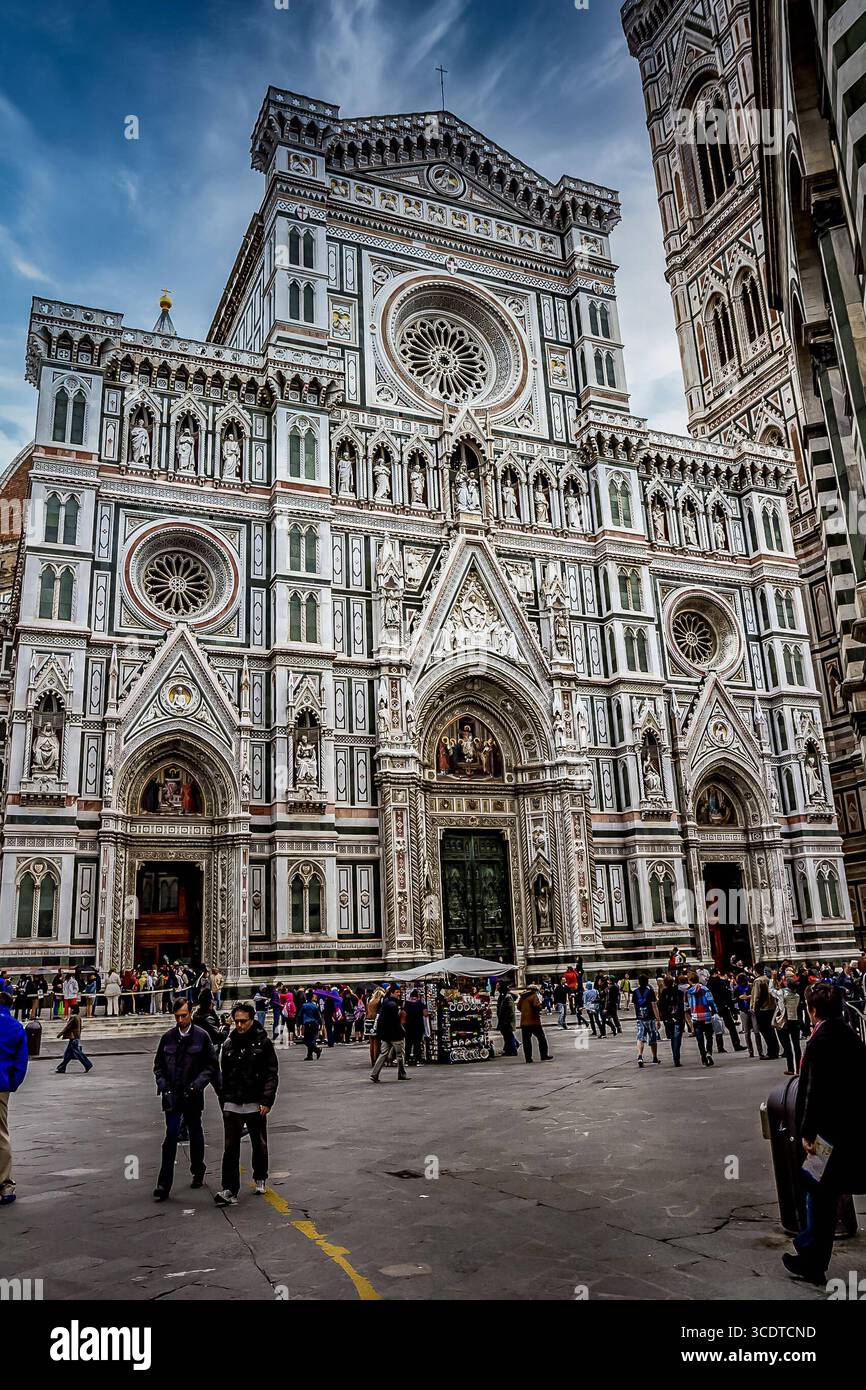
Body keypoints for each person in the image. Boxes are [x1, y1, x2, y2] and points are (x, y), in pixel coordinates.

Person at [783, 982, 866, 1284]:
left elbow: (814, 1092)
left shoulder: (820, 1042)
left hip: (827, 1138)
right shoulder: (851, 1036)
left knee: (817, 1193)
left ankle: (811, 1257)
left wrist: (808, 1131)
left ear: (812, 1011)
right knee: (818, 1191)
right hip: (851, 1130)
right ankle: (810, 1252)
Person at [213, 1001, 280, 1207]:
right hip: (233, 1102)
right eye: (237, 1021)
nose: (239, 1025)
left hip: (255, 1101)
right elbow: (223, 1074)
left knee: (258, 1143)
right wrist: (224, 1100)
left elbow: (271, 1073)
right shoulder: (228, 1044)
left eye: (243, 1021)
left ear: (252, 1020)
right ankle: (229, 1189)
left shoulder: (263, 1043)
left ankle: (260, 1175)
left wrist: (266, 1100)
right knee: (230, 1147)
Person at [152, 998, 219, 1201]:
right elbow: (158, 1066)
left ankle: (198, 1170)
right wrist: (164, 1087)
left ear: (191, 1013)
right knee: (170, 1137)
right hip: (172, 1095)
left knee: (195, 1133)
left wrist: (196, 1085)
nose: (181, 1020)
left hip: (192, 1094)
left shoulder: (201, 1037)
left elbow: (210, 1066)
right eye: (177, 1016)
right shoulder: (168, 1037)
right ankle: (164, 1184)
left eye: (184, 1015)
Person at [0, 990, 28, 1207]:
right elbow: (21, 1062)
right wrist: (12, 1083)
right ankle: (6, 1185)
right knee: (2, 1135)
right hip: (1, 1084)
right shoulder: (16, 1027)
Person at [370, 985, 408, 1081]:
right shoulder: (393, 1005)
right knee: (400, 1055)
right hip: (395, 1034)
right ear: (391, 993)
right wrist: (401, 1027)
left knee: (383, 1054)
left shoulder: (385, 1002)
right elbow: (395, 1020)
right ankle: (401, 1074)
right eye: (396, 992)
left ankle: (374, 1074)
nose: (398, 994)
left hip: (385, 1034)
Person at [771, 968, 804, 1075]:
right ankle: (798, 1068)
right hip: (794, 1020)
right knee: (796, 1045)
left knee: (787, 1045)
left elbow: (771, 990)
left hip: (785, 1021)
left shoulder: (782, 993)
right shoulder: (797, 996)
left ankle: (790, 1068)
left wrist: (772, 979)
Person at [685, 971, 718, 1067]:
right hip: (706, 1015)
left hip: (695, 1016)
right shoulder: (705, 989)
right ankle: (709, 1052)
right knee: (709, 1036)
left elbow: (687, 1004)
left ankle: (703, 1056)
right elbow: (711, 1001)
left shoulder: (689, 991)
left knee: (699, 1038)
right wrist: (715, 1011)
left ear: (690, 980)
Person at [516, 983, 551, 1063]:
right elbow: (536, 1006)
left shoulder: (522, 997)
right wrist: (538, 1011)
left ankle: (528, 1058)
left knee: (526, 1041)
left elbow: (518, 1007)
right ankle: (544, 1055)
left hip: (524, 1022)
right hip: (534, 1021)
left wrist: (525, 1012)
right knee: (541, 1038)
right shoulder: (534, 996)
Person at [633, 973, 661, 1066]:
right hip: (650, 1017)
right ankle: (654, 1057)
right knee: (652, 1037)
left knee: (640, 1037)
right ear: (647, 982)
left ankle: (640, 1056)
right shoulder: (650, 991)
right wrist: (658, 1019)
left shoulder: (635, 992)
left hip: (640, 1018)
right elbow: (654, 1006)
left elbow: (635, 1005)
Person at [751, 972, 779, 1060]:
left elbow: (757, 997)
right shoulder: (768, 979)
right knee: (771, 1031)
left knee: (765, 1031)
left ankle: (771, 1052)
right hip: (771, 1007)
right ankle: (775, 1050)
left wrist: (755, 1009)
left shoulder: (758, 981)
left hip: (763, 1009)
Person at [658, 972, 685, 1066]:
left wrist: (664, 1017)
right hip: (678, 1017)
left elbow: (660, 1005)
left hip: (668, 1018)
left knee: (673, 1037)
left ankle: (675, 1056)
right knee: (677, 1038)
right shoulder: (679, 992)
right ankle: (676, 1057)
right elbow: (682, 1006)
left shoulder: (664, 992)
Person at [496, 981, 519, 1056]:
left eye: (498, 985)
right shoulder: (502, 995)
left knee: (508, 1035)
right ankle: (509, 1049)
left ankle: (513, 1050)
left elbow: (510, 1009)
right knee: (506, 1035)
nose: (496, 987)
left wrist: (507, 1020)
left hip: (507, 1020)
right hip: (503, 1019)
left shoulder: (507, 996)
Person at [403, 990, 426, 1065]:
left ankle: (407, 1060)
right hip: (418, 1026)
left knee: (408, 1044)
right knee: (417, 1044)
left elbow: (404, 1014)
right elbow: (425, 1014)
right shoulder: (421, 1004)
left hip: (408, 1026)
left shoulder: (406, 1003)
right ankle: (418, 1060)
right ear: (417, 996)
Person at [300, 990, 323, 1060]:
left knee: (306, 1040)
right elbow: (318, 1016)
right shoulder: (314, 1006)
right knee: (312, 1039)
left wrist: (300, 1023)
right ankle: (311, 1054)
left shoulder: (304, 1005)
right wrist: (320, 1025)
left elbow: (300, 1015)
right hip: (314, 1024)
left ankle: (314, 1051)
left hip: (307, 1023)